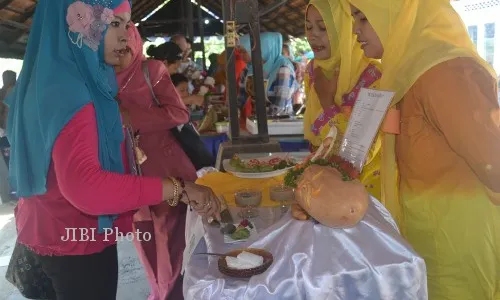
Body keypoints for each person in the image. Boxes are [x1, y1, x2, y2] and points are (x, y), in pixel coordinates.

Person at [5, 1, 221, 299]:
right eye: (114, 23)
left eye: (126, 24)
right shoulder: (76, 94)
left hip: (43, 229)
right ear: (80, 24)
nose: (126, 35)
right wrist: (177, 189)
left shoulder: (44, 83)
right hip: (76, 240)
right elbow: (86, 187)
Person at [349, 0, 500, 299]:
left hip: (458, 239)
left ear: (396, 15)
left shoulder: (445, 72)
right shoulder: (405, 72)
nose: (355, 30)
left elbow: (494, 164)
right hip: (423, 231)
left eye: (363, 17)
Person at [116, 24, 199, 300]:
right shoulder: (99, 77)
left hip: (168, 170)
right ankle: (160, 292)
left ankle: (172, 294)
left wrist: (132, 118)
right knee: (146, 242)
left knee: (173, 244)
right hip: (129, 176)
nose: (119, 48)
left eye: (126, 42)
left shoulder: (150, 71)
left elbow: (179, 113)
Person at [301, 0, 382, 199]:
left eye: (323, 27)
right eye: (309, 27)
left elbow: (355, 155)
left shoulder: (374, 77)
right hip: (324, 187)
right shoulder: (314, 71)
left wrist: (328, 102)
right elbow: (316, 141)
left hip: (366, 193)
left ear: (344, 28)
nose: (313, 35)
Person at [238, 32, 299, 116]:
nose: (241, 55)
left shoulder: (283, 68)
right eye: (240, 52)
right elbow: (241, 97)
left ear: (264, 48)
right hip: (258, 119)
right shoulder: (249, 69)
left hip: (281, 121)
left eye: (244, 52)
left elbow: (279, 106)